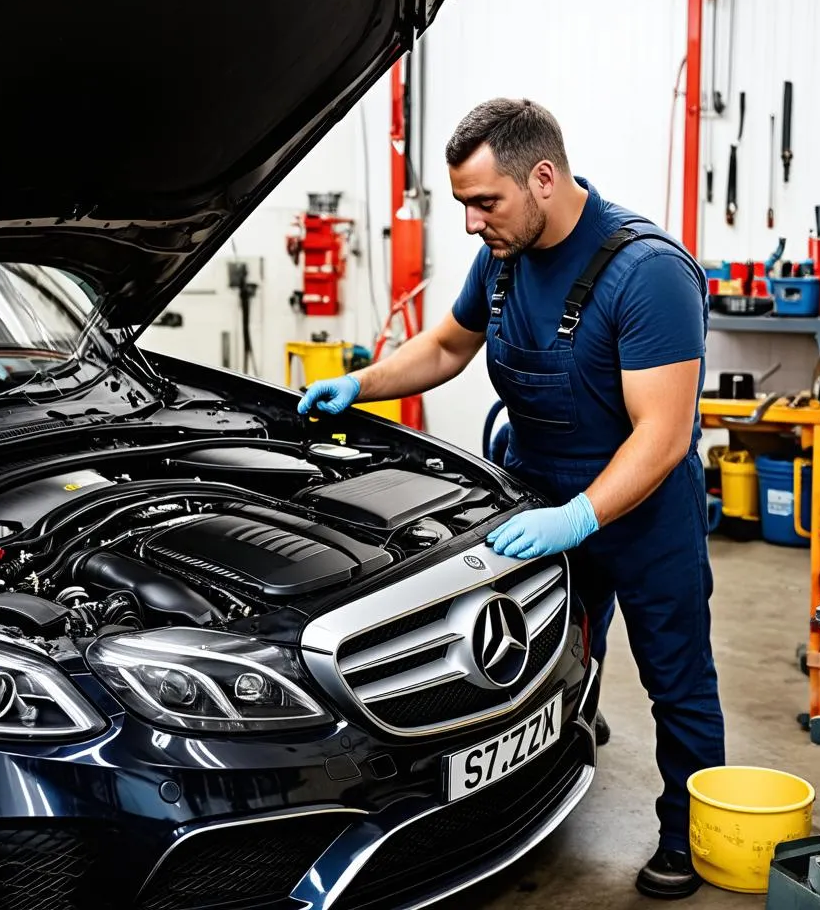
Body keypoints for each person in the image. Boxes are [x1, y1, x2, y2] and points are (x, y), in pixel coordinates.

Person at [297, 98, 725, 900]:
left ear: (543, 178)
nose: (471, 223)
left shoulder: (648, 273)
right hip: (533, 497)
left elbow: (662, 436)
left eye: (484, 202)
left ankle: (687, 834)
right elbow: (448, 346)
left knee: (678, 677)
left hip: (641, 512)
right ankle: (536, 779)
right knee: (533, 659)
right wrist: (362, 384)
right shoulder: (502, 256)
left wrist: (580, 518)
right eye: (462, 204)